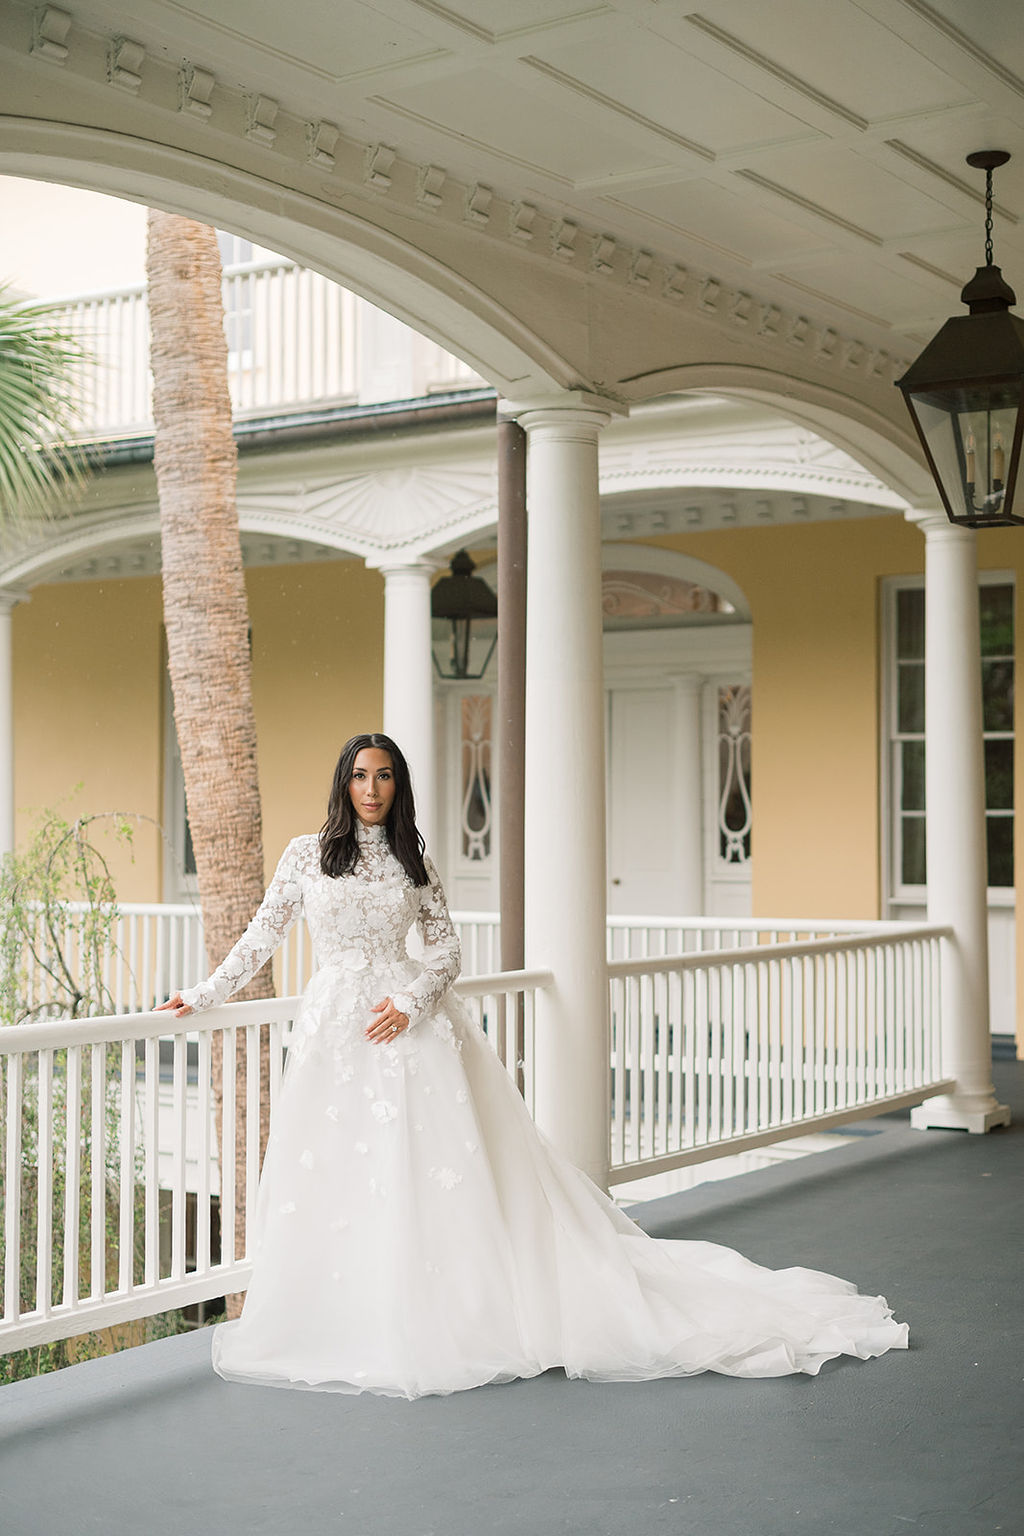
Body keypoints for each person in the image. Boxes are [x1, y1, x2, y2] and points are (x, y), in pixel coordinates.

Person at [161, 732, 907, 1398]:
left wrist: (413, 1000)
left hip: (403, 1030)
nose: (372, 788)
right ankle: (344, 1313)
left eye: (385, 775)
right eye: (361, 775)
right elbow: (261, 936)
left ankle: (443, 1318)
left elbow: (449, 950)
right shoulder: (306, 854)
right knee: (340, 1177)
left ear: (399, 784)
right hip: (331, 1035)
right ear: (342, 782)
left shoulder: (414, 855)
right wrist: (201, 994)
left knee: (420, 1177)